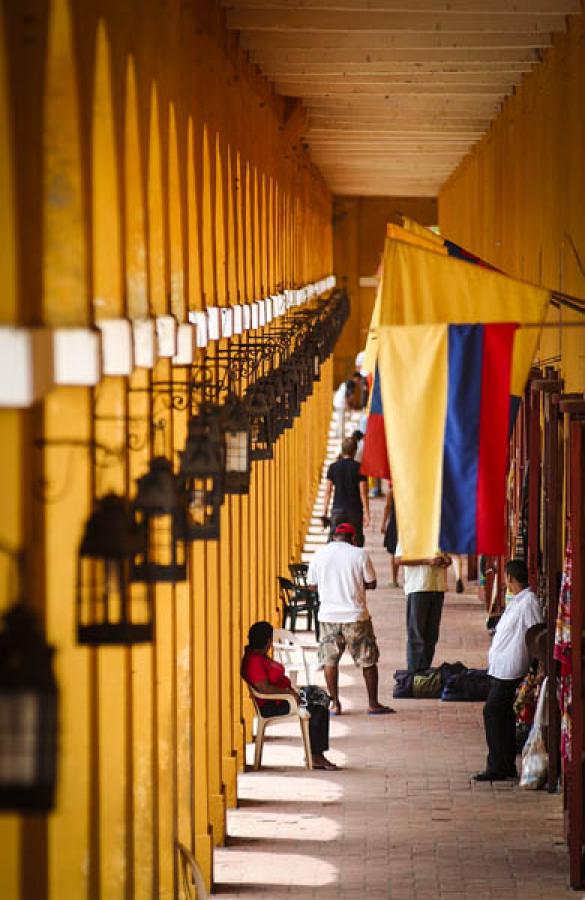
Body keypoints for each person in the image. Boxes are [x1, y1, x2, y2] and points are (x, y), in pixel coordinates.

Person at [307, 522, 394, 716]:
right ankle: (373, 703)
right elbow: (371, 583)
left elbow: (311, 585)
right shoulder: (359, 554)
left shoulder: (319, 555)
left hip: (328, 617)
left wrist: (329, 586)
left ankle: (335, 704)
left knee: (330, 660)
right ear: (353, 538)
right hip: (356, 616)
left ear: (333, 537)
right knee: (368, 660)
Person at [473, 558, 543, 782]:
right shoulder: (517, 600)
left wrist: (535, 670)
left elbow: (536, 634)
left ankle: (497, 764)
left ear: (510, 578)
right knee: (502, 714)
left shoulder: (529, 602)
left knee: (492, 711)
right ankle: (505, 764)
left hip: (511, 669)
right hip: (501, 667)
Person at [241, 620, 338, 770]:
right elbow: (264, 688)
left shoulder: (258, 655)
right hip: (274, 705)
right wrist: (289, 693)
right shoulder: (254, 661)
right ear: (267, 641)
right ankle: (316, 755)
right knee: (318, 708)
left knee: (318, 695)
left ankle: (316, 752)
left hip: (283, 698)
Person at [395, 542, 451, 672]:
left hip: (437, 587)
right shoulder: (410, 531)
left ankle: (424, 671)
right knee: (416, 634)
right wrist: (426, 561)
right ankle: (414, 673)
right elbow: (399, 558)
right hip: (418, 587)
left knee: (432, 634)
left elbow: (447, 556)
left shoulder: (439, 532)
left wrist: (446, 560)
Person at [323, 436, 370, 547]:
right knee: (356, 540)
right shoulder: (360, 468)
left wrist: (324, 511)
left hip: (337, 510)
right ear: (354, 451)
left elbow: (328, 491)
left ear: (342, 450)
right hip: (354, 511)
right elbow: (363, 492)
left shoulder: (333, 467)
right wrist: (367, 513)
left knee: (333, 541)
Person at [380, 483, 399, 587]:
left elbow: (387, 507)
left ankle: (394, 579)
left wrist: (383, 523)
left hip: (394, 522)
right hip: (406, 524)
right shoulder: (409, 488)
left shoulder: (391, 492)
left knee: (393, 551)